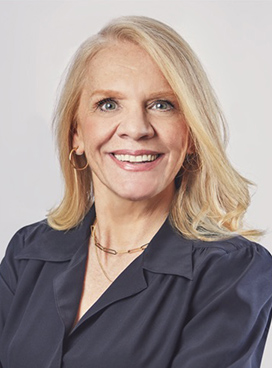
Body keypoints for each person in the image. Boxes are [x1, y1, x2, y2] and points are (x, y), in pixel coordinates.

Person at [0, 15, 271, 368]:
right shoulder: (28, 253)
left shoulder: (231, 272)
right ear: (75, 134)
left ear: (191, 134)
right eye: (108, 104)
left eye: (162, 104)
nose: (136, 128)